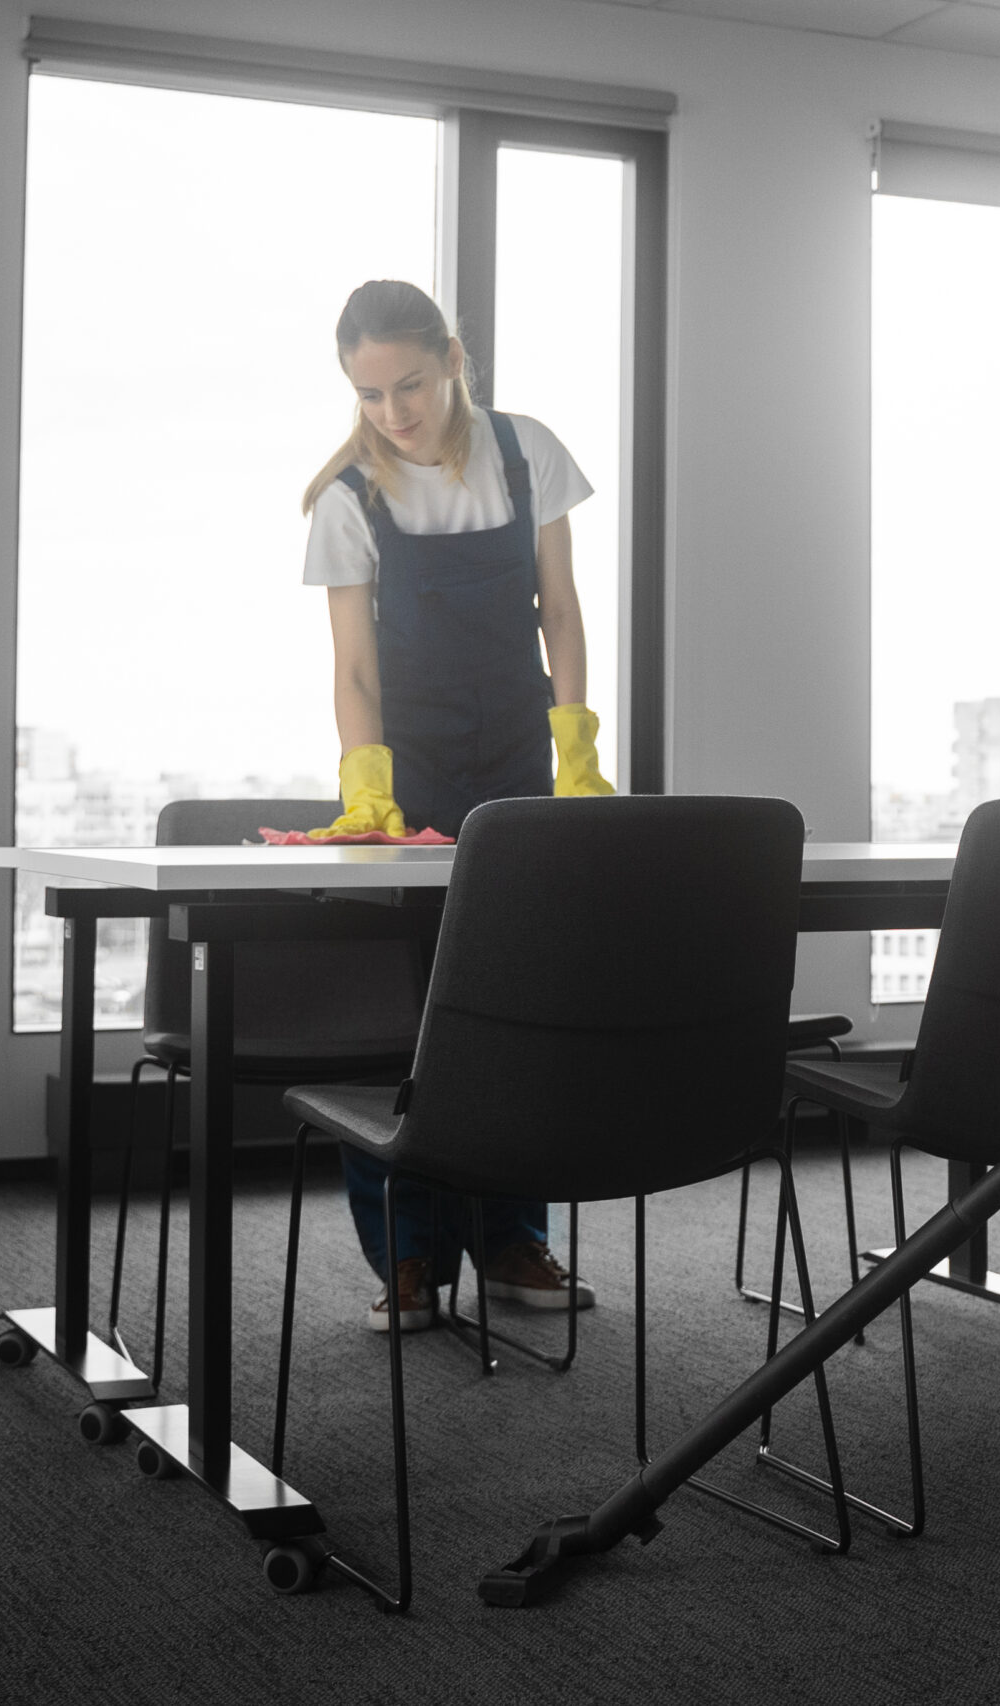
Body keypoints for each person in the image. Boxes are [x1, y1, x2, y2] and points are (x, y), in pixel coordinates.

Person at [299, 278, 613, 1331]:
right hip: (412, 776)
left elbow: (560, 612)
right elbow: (353, 668)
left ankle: (514, 1237)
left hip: (524, 757)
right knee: (414, 1017)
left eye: (411, 384)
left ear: (454, 362)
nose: (393, 411)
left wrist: (577, 751)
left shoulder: (526, 455)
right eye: (369, 391)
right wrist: (368, 792)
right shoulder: (350, 496)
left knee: (517, 1006)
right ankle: (410, 1258)